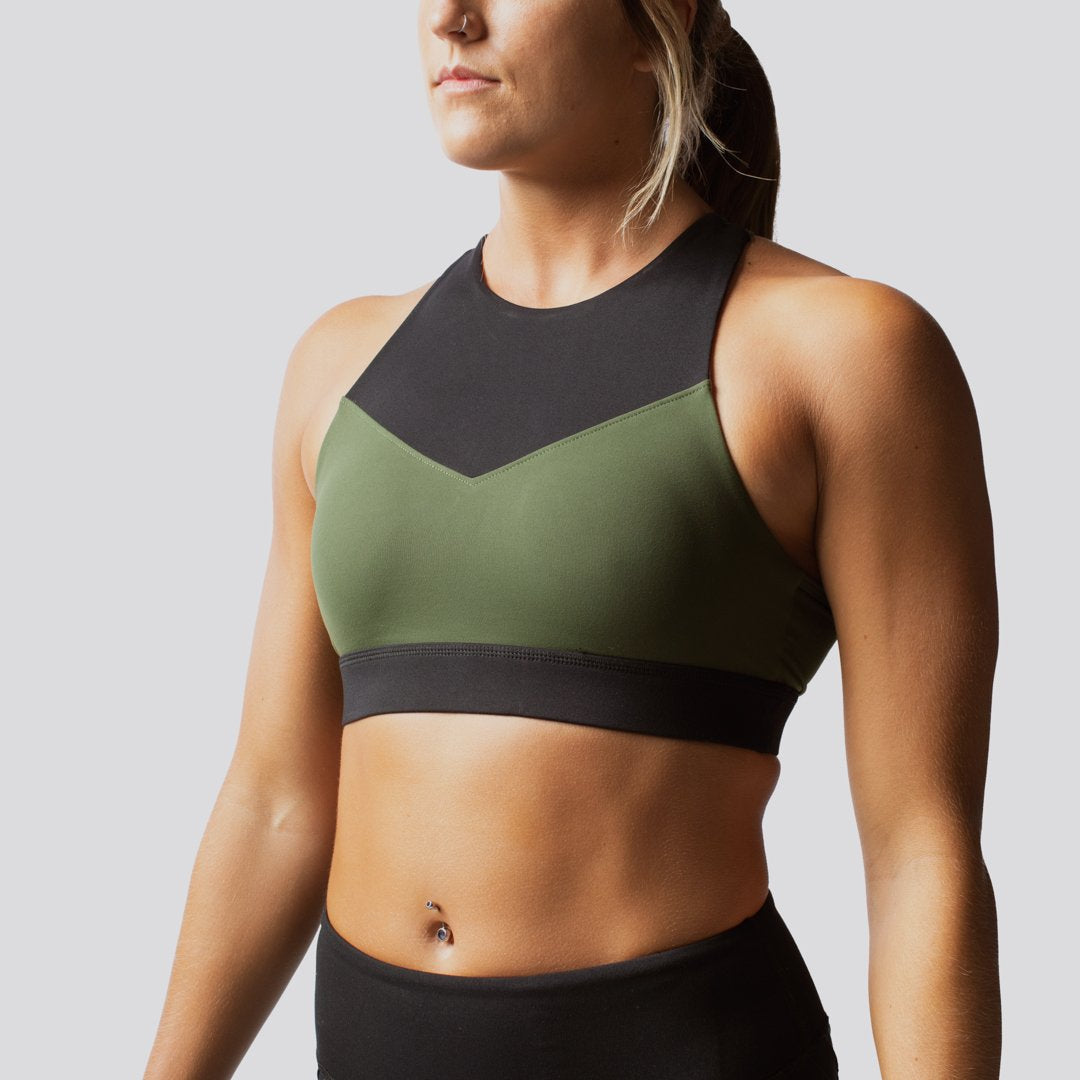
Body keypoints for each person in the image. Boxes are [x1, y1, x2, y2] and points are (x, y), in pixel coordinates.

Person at [144, 2, 1001, 1078]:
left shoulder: (843, 352)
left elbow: (920, 853)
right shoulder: (341, 365)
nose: (451, 18)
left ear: (656, 23)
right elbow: (275, 801)